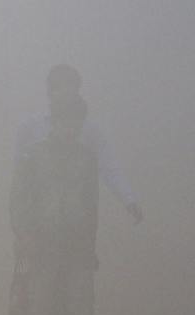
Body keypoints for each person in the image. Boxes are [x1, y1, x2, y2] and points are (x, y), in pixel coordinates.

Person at [12, 93, 104, 315]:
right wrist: (25, 237)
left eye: (76, 122)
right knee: (39, 312)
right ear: (55, 121)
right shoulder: (32, 156)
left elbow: (92, 206)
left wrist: (91, 247)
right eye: (66, 121)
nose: (71, 128)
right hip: (43, 246)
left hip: (78, 249)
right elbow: (18, 202)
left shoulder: (87, 158)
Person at [14, 63, 141, 226]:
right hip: (40, 221)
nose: (68, 94)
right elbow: (19, 179)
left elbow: (109, 168)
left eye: (73, 88)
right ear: (50, 92)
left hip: (78, 223)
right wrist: (22, 229)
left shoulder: (91, 131)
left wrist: (128, 199)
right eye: (62, 88)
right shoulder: (28, 128)